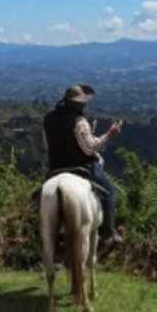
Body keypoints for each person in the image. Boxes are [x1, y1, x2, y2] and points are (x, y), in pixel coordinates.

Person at [42, 84, 124, 245]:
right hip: (82, 166)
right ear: (78, 103)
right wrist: (109, 135)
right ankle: (109, 233)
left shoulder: (49, 118)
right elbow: (89, 149)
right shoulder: (79, 121)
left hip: (56, 167)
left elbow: (47, 144)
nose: (84, 104)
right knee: (109, 193)